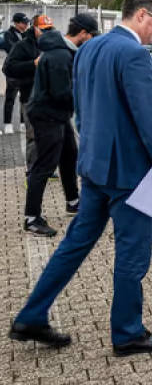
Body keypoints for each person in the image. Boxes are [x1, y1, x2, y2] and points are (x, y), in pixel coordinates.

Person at [8, 0, 152, 356]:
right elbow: (150, 121)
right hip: (128, 175)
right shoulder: (134, 54)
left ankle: (32, 314)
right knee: (132, 254)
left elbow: (82, 107)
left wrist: (89, 148)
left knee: (74, 245)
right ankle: (128, 333)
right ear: (140, 15)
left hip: (95, 167)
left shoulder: (89, 48)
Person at [22, 13, 98, 237]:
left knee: (69, 155)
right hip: (47, 115)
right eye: (91, 36)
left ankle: (73, 201)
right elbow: (60, 93)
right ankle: (32, 217)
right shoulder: (59, 56)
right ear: (83, 34)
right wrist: (87, 97)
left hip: (59, 114)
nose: (92, 41)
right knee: (44, 165)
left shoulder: (65, 52)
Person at [4, 15, 52, 170]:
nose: (46, 32)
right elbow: (9, 68)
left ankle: (46, 168)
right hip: (29, 97)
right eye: (43, 29)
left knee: (47, 135)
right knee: (32, 136)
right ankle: (32, 171)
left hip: (47, 97)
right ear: (35, 28)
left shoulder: (50, 44)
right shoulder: (22, 45)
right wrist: (32, 64)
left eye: (49, 29)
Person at [1, 12, 29, 135]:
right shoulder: (8, 34)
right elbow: (12, 49)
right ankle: (8, 123)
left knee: (25, 98)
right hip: (13, 71)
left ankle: (23, 123)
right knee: (10, 97)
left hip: (25, 70)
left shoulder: (27, 35)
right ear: (16, 23)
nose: (26, 25)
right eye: (24, 23)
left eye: (27, 23)